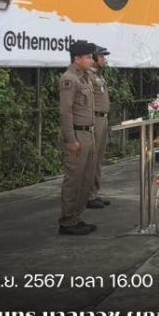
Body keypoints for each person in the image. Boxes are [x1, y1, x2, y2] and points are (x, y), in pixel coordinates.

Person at [58, 40, 98, 235]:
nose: (92, 60)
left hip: (89, 134)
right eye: (88, 57)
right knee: (74, 179)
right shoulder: (69, 79)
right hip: (78, 134)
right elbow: (65, 112)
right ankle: (67, 221)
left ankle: (77, 216)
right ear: (77, 58)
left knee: (86, 179)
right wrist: (71, 140)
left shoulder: (85, 77)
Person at [87, 46, 112, 209]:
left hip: (102, 119)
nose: (105, 60)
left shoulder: (98, 75)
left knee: (98, 159)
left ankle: (94, 192)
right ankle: (88, 195)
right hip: (94, 119)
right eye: (102, 57)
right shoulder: (89, 76)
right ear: (94, 58)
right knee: (92, 158)